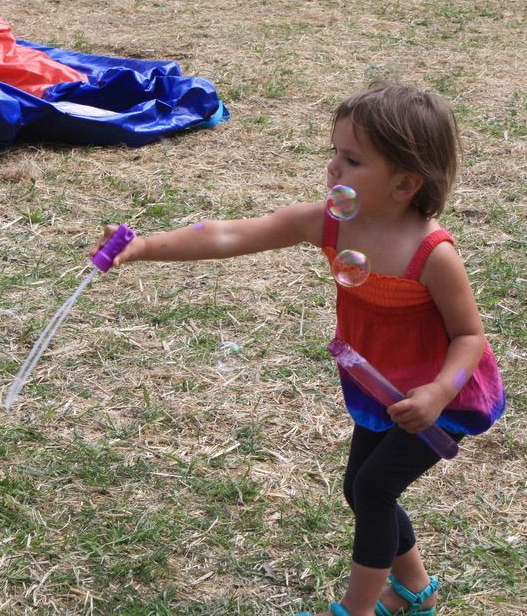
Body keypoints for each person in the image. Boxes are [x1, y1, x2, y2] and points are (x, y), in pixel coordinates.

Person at [95, 81, 505, 616]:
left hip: (440, 397)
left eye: (353, 159)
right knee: (358, 487)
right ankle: (414, 592)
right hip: (380, 384)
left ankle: (353, 611)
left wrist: (436, 392)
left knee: (375, 490)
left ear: (405, 182)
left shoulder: (432, 253)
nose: (335, 168)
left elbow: (469, 336)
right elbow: (229, 235)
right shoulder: (329, 222)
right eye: (334, 152)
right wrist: (144, 247)